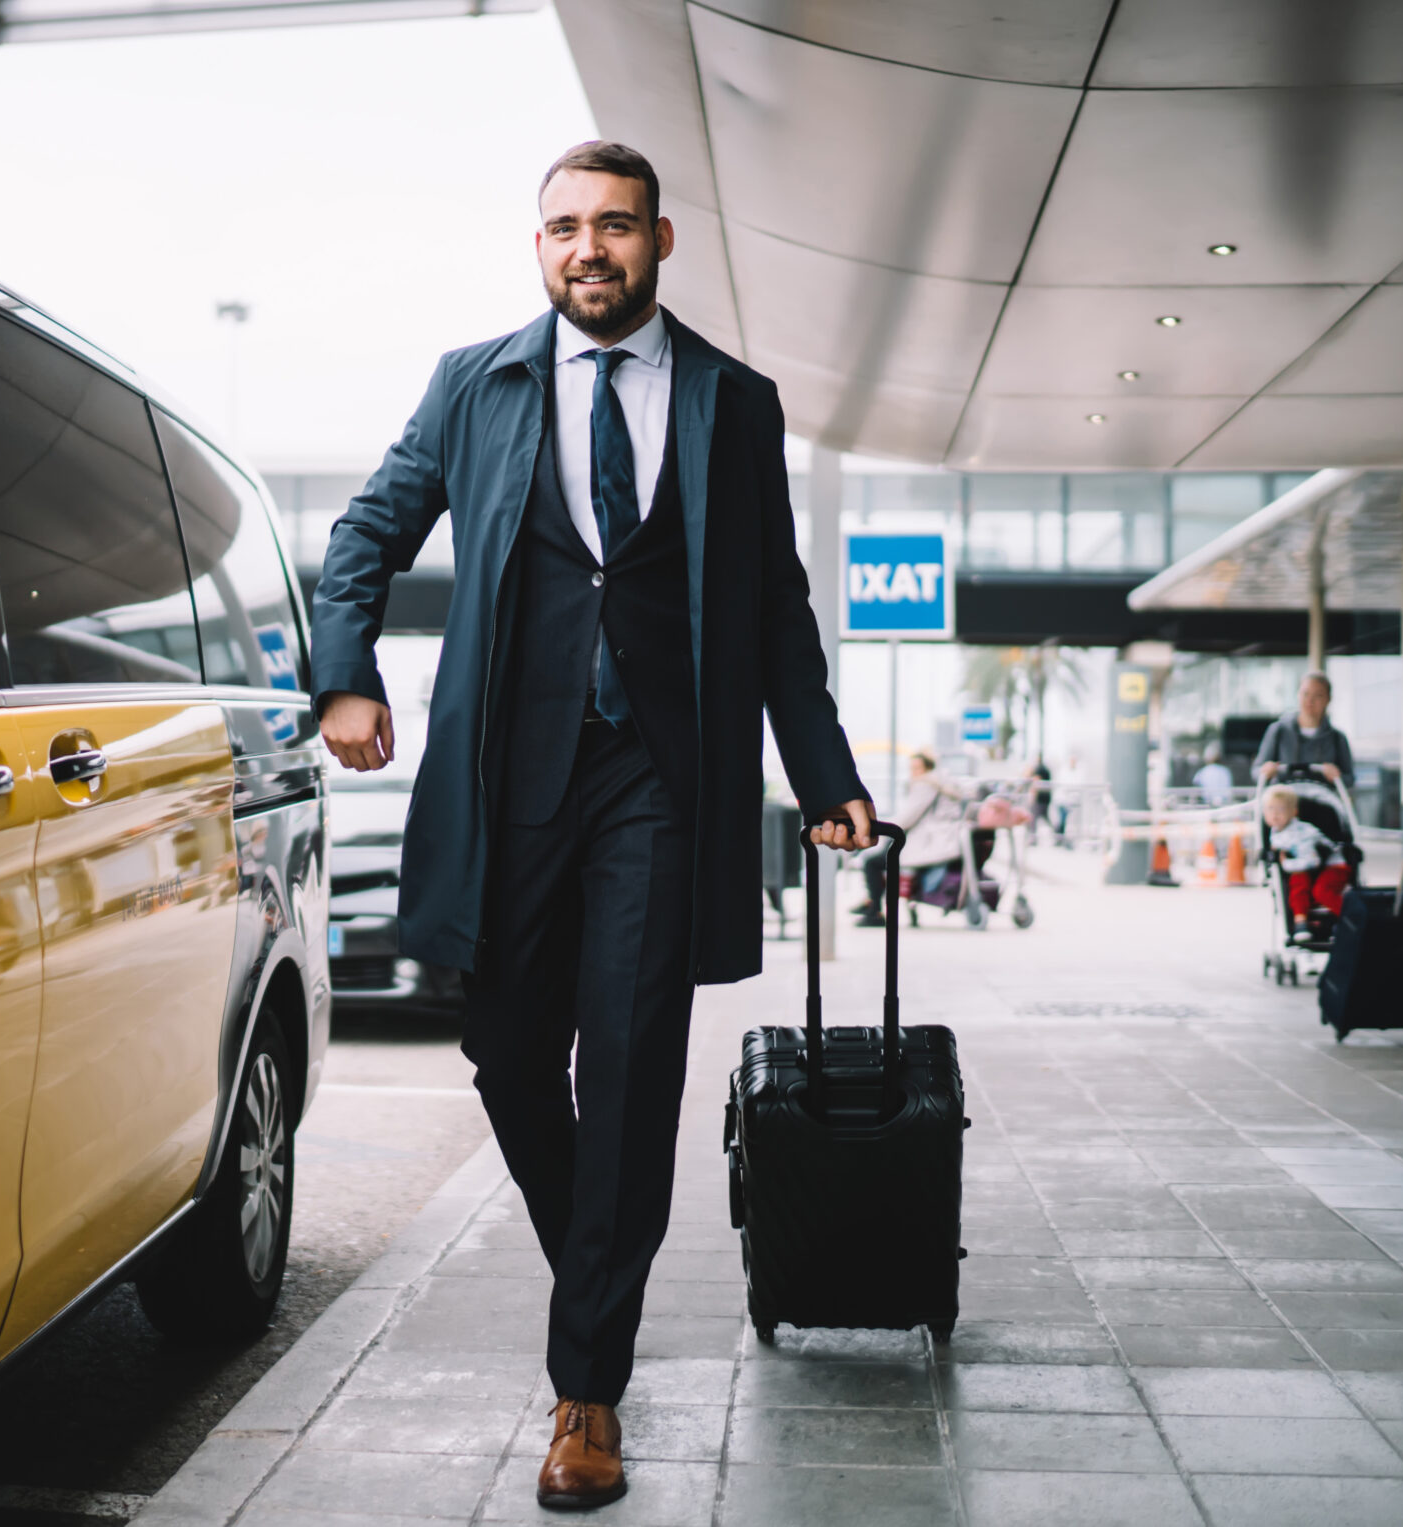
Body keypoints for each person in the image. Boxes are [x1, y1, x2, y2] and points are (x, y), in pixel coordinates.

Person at [310, 141, 871, 1510]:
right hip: (513, 774)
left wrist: (827, 768)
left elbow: (774, 611)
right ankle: (601, 1267)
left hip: (661, 784)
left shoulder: (736, 405)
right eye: (563, 228)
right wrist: (343, 672)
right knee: (506, 1051)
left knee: (626, 1069)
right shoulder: (475, 383)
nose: (587, 251)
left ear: (660, 240)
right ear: (538, 244)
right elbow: (364, 534)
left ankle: (589, 1391)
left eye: (613, 226)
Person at [858, 751, 968, 926]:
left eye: (917, 768)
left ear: (927, 768)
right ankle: (870, 903)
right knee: (879, 857)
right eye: (911, 768)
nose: (913, 772)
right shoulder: (939, 782)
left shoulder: (926, 784)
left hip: (928, 844)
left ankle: (874, 911)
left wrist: (876, 827)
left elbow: (908, 817)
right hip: (938, 842)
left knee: (872, 862)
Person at [1261, 784, 1349, 938]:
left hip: (1334, 866)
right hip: (1311, 869)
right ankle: (1303, 921)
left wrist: (1286, 864)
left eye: (1281, 810)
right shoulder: (1276, 832)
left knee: (1320, 891)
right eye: (1270, 809)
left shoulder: (1301, 833)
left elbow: (1311, 860)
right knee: (1298, 881)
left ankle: (1349, 918)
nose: (1275, 814)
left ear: (1294, 812)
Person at [1255, 672, 1354, 784]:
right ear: (1298, 695)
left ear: (1328, 699)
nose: (1310, 701)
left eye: (1318, 695)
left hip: (1322, 797)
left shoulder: (1337, 738)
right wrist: (1266, 771)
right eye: (1305, 694)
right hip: (1283, 796)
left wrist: (1336, 775)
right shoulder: (1278, 731)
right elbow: (1256, 772)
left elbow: (1349, 779)